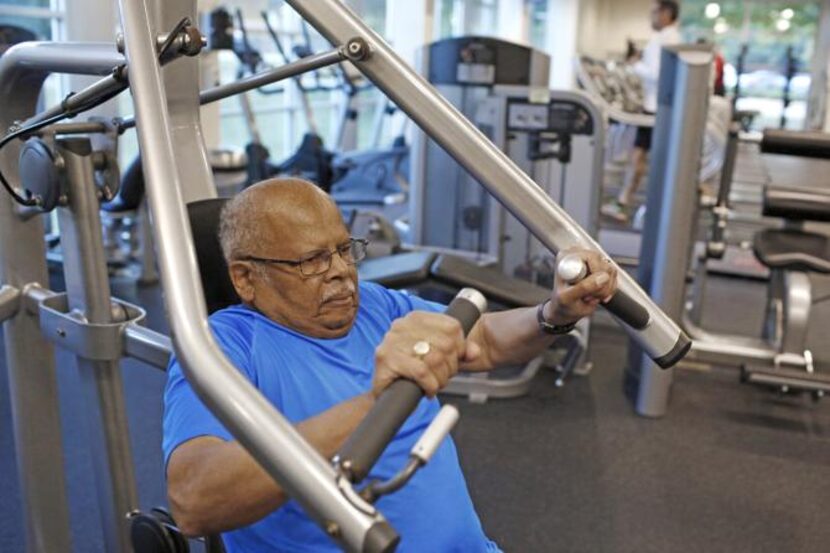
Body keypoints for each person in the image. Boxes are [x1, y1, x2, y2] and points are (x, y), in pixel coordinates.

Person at [163, 178, 618, 552]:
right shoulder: (224, 347)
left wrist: (554, 314)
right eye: (313, 260)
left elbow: (484, 341)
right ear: (245, 277)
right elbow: (194, 500)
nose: (342, 271)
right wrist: (376, 403)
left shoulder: (376, 306)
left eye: (344, 250)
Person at [601, 0, 681, 223]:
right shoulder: (669, 38)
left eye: (654, 12)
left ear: (666, 13)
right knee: (638, 155)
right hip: (654, 106)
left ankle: (631, 203)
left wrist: (635, 63)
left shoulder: (663, 39)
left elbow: (656, 74)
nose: (651, 17)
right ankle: (625, 201)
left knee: (642, 157)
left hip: (654, 108)